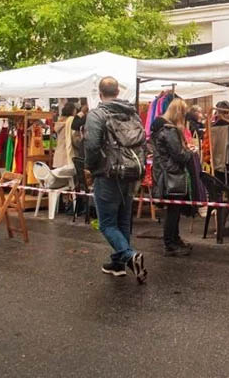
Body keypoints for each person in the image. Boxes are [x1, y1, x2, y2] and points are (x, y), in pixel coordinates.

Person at [85, 77, 147, 283]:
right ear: (118, 91)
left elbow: (92, 146)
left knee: (107, 224)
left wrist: (91, 168)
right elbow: (143, 143)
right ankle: (118, 263)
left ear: (100, 93)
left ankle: (129, 256)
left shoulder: (97, 114)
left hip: (108, 173)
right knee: (123, 221)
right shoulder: (132, 113)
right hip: (131, 173)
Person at [151, 98, 196, 257]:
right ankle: (170, 243)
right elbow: (179, 155)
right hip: (172, 174)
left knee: (173, 210)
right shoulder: (169, 130)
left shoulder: (160, 127)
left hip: (164, 172)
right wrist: (190, 152)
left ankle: (174, 240)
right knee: (173, 211)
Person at [53, 102, 77, 169]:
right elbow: (74, 137)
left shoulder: (59, 121)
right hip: (67, 155)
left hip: (59, 154)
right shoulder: (71, 121)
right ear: (72, 110)